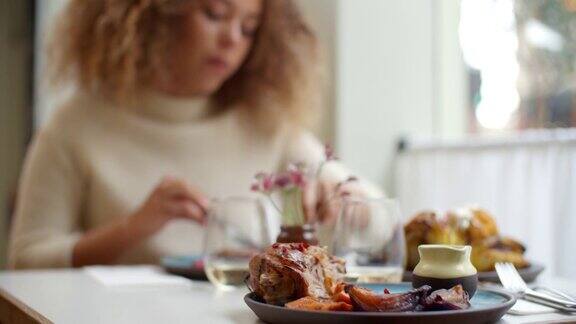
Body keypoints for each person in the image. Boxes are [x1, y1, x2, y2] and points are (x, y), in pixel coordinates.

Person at [8, 0, 381, 269]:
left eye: (248, 27)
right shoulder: (75, 124)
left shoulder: (266, 123)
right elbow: (25, 261)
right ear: (152, 13)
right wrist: (133, 229)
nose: (233, 38)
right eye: (215, 14)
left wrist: (345, 198)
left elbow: (380, 224)